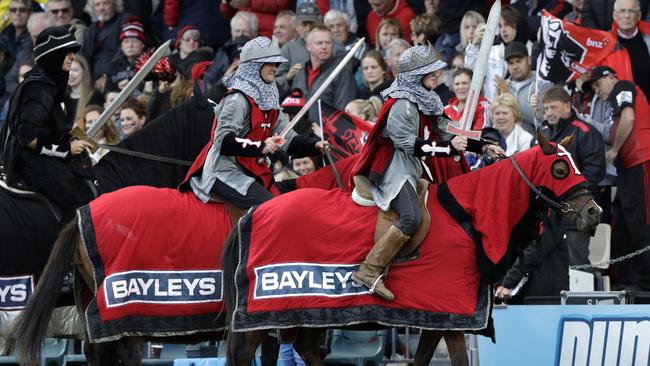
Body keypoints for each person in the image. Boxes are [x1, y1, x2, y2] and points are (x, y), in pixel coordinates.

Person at [350, 44, 504, 301]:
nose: (436, 75)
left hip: (413, 169)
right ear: (415, 75)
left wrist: (484, 147)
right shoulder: (401, 104)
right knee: (411, 217)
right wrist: (447, 149)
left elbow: (451, 132)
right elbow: (406, 144)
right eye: (429, 71)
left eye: (435, 70)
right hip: (394, 171)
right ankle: (370, 269)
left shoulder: (428, 99)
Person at [182, 36, 329, 208]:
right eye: (270, 63)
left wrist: (314, 146)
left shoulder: (270, 99)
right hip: (224, 170)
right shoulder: (237, 99)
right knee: (270, 209)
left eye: (276, 64)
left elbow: (288, 139)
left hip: (255, 170)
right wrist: (260, 147)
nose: (275, 68)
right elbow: (223, 140)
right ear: (255, 65)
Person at [0, 26, 94, 215]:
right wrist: (66, 149)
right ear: (53, 56)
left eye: (73, 52)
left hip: (46, 157)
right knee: (81, 199)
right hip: (30, 163)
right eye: (66, 53)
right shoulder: (39, 88)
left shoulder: (52, 85)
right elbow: (27, 137)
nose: (72, 57)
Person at [584, 65, 650, 290]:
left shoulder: (623, 86)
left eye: (597, 84)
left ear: (610, 77)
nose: (596, 91)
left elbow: (629, 118)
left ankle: (644, 283)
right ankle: (628, 281)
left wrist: (614, 150)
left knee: (642, 223)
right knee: (623, 224)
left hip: (641, 161)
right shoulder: (614, 103)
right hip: (629, 168)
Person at [538, 86, 606, 267]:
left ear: (568, 106)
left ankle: (582, 296)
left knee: (576, 264)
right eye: (546, 109)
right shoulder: (544, 132)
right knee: (549, 265)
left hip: (577, 213)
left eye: (553, 107)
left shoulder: (585, 132)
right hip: (548, 215)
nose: (549, 113)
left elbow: (595, 171)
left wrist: (565, 192)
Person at [282, 26, 357, 123]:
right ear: (308, 46)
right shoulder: (299, 70)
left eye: (328, 43)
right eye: (319, 43)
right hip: (298, 133)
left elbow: (343, 111)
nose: (324, 46)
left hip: (324, 135)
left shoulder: (341, 72)